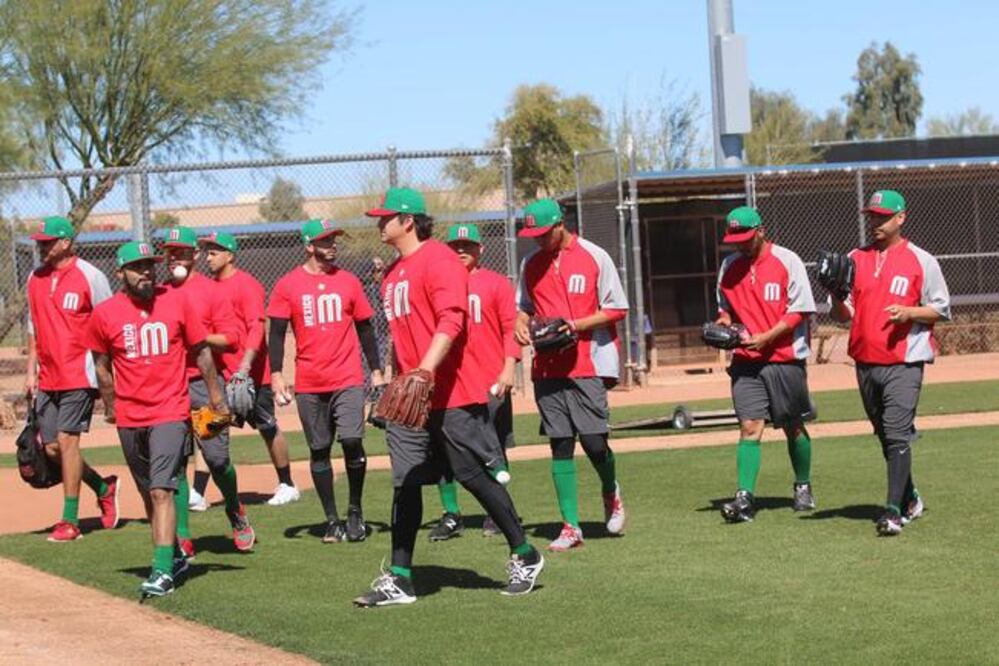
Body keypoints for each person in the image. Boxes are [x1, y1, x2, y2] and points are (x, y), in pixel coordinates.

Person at [354, 187, 543, 607]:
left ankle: (524, 553)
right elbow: (401, 336)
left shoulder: (438, 260)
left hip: (452, 392)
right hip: (412, 397)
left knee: (472, 476)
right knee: (405, 482)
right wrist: (393, 377)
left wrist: (425, 369)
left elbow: (452, 320)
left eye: (385, 217)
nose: (378, 223)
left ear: (408, 221)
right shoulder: (393, 275)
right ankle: (400, 577)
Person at [85, 241, 228, 597]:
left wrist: (217, 398)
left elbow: (202, 353)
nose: (146, 272)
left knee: (162, 489)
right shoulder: (104, 315)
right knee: (148, 491)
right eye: (137, 267)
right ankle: (174, 554)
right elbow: (102, 368)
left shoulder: (177, 302)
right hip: (130, 416)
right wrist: (111, 405)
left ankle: (162, 571)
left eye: (149, 265)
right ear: (121, 273)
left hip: (170, 410)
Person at [829, 190, 951, 536]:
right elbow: (842, 315)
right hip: (865, 361)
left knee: (897, 432)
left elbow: (941, 308)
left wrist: (909, 312)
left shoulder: (921, 260)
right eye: (872, 216)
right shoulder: (854, 258)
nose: (876, 223)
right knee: (885, 435)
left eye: (883, 216)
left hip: (905, 361)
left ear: (901, 218)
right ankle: (910, 495)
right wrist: (838, 296)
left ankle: (894, 511)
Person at [514, 198, 628, 552]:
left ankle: (612, 493)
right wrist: (520, 326)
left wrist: (572, 325)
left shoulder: (595, 256)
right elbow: (523, 309)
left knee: (595, 443)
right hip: (547, 368)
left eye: (543, 234)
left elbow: (617, 308)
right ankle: (570, 527)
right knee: (560, 444)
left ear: (560, 225)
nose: (538, 240)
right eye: (533, 235)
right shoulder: (530, 263)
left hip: (587, 363)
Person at [267, 219, 384, 543]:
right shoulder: (287, 285)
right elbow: (275, 333)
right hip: (309, 381)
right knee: (319, 450)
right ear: (309, 246)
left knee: (351, 441)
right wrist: (276, 373)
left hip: (347, 377)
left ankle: (355, 511)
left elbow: (365, 328)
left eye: (334, 239)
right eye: (325, 240)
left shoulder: (348, 282)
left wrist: (375, 369)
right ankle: (332, 519)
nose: (333, 244)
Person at [714, 206, 818, 523]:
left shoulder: (788, 261)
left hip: (784, 357)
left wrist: (767, 337)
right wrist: (723, 325)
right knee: (749, 427)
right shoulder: (729, 267)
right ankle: (744, 497)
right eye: (735, 239)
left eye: (745, 238)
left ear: (760, 230)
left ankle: (803, 485)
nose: (740, 244)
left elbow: (799, 311)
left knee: (792, 426)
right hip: (746, 360)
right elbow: (725, 310)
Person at [24, 215, 120, 542]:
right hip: (48, 376)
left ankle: (69, 520)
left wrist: (108, 377)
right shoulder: (34, 278)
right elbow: (33, 329)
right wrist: (30, 372)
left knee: (66, 443)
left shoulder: (90, 276)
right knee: (51, 448)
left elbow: (111, 323)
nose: (41, 246)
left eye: (47, 242)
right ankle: (103, 486)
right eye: (39, 242)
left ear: (65, 242)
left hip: (80, 373)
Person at [161, 226, 254, 554]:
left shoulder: (211, 291)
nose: (175, 258)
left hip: (205, 385)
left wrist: (196, 336)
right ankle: (183, 534)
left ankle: (235, 509)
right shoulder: (158, 294)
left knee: (216, 460)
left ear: (195, 256)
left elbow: (231, 338)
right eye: (170, 252)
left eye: (182, 252)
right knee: (175, 461)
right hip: (170, 389)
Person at [429, 222, 520, 540]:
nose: (461, 251)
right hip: (450, 382)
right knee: (443, 450)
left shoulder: (496, 284)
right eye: (455, 246)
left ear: (482, 249)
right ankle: (451, 514)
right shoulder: (437, 283)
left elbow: (512, 329)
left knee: (494, 446)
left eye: (468, 246)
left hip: (490, 380)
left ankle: (500, 513)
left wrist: (509, 368)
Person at [199, 231, 300, 507]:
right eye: (207, 252)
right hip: (221, 374)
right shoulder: (208, 288)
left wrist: (245, 366)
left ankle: (287, 484)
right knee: (210, 427)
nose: (208, 257)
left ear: (230, 255)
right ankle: (198, 491)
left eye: (214, 252)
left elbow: (257, 327)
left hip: (253, 374)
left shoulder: (247, 285)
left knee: (267, 427)